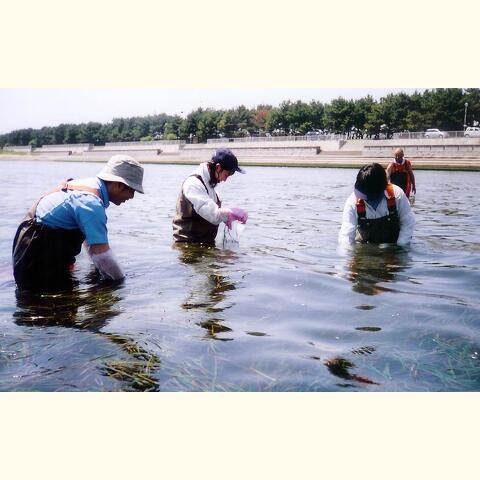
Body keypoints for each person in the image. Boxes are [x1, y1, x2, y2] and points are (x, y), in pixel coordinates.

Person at [12, 154, 144, 291]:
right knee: (44, 302)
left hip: (36, 243)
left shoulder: (85, 186)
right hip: (38, 254)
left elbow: (92, 245)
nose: (132, 197)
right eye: (132, 190)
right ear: (118, 185)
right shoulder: (91, 203)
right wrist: (121, 283)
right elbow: (103, 255)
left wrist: (99, 268)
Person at [173, 149, 248, 244]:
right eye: (226, 174)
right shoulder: (193, 184)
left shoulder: (210, 184)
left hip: (204, 244)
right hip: (188, 245)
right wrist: (228, 213)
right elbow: (212, 214)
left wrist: (227, 217)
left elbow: (213, 210)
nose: (225, 180)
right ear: (218, 167)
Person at [338, 163, 415, 247]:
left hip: (393, 246)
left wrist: (400, 249)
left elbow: (407, 223)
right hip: (366, 247)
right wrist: (346, 256)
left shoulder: (397, 195)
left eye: (367, 196)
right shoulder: (352, 201)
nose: (363, 199)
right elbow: (346, 235)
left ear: (382, 189)